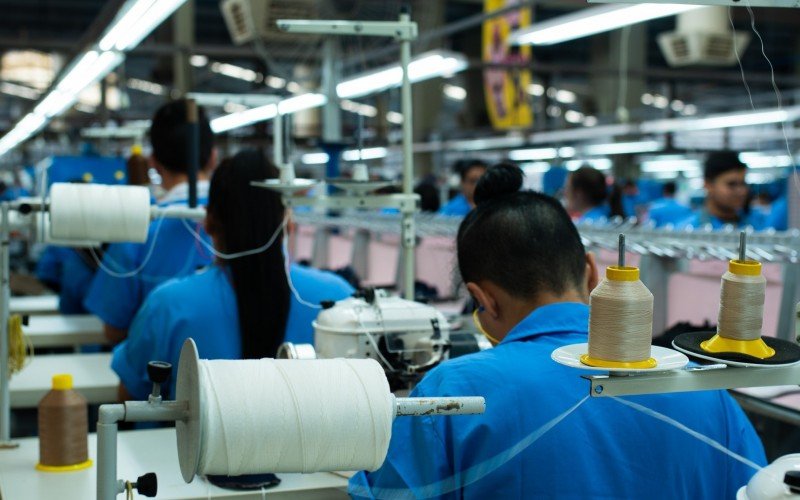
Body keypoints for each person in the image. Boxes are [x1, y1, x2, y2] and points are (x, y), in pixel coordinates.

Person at [350, 164, 764, 499]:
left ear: (483, 299)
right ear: (590, 272)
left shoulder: (454, 394)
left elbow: (384, 492)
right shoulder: (706, 389)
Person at [111, 150, 355, 400]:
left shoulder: (168, 306)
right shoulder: (340, 300)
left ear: (208, 221)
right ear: (289, 223)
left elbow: (129, 397)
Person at [84, 100, 216, 344]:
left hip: (159, 377)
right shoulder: (250, 225)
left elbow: (114, 329)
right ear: (213, 158)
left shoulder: (136, 229)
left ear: (152, 161)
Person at [679, 151, 766, 230]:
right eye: (732, 184)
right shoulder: (689, 230)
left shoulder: (758, 226)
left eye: (743, 184)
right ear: (708, 185)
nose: (741, 191)